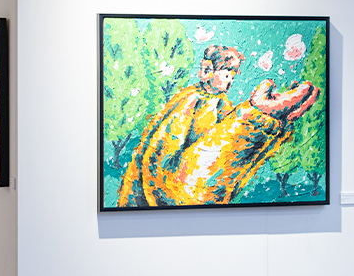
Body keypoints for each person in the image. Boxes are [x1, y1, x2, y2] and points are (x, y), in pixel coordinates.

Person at [118, 44, 319, 207]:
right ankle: (263, 111)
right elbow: (166, 150)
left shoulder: (222, 103)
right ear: (207, 71)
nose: (230, 81)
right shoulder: (191, 101)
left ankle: (275, 116)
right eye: (226, 74)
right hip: (172, 183)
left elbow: (229, 144)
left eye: (233, 75)